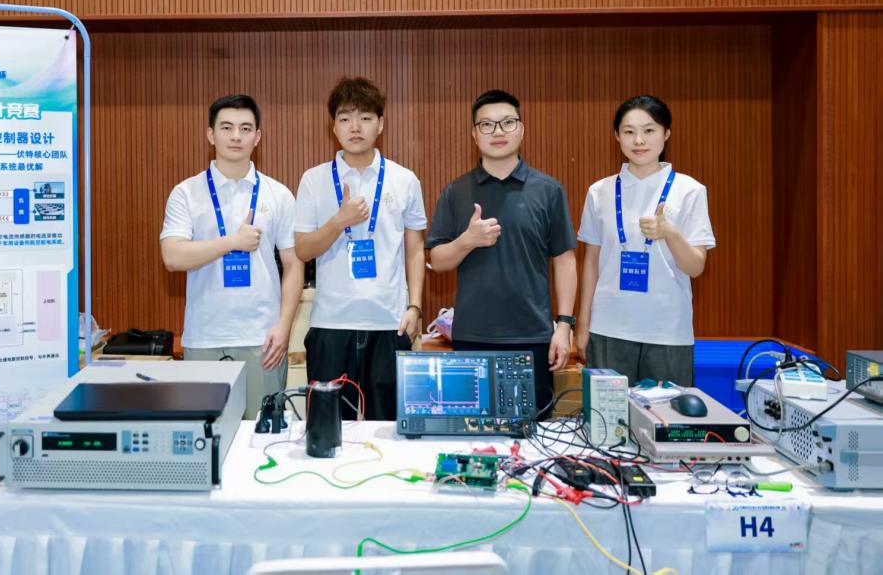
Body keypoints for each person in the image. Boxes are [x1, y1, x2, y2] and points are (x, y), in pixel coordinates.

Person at [426, 90, 577, 414]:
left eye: (507, 122)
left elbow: (565, 260)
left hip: (533, 338)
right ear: (474, 134)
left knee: (534, 436)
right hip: (472, 337)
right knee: (470, 432)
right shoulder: (456, 191)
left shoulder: (549, 190)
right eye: (487, 124)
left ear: (521, 129)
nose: (497, 131)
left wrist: (564, 326)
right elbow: (437, 261)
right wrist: (468, 240)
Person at [160, 94, 303, 419]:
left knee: (263, 435)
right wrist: (232, 242)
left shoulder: (278, 194)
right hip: (204, 338)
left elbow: (294, 264)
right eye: (226, 127)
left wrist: (284, 326)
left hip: (263, 340)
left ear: (258, 137)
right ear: (211, 135)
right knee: (205, 435)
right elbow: (172, 256)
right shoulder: (186, 193)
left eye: (245, 128)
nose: (236, 136)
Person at [293, 77, 427, 420]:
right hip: (331, 324)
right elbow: (303, 250)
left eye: (365, 117)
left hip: (390, 323)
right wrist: (339, 221)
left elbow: (415, 249)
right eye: (345, 118)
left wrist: (415, 306)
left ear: (380, 124)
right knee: (327, 430)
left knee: (389, 430)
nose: (355, 127)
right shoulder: (314, 180)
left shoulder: (404, 179)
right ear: (333, 126)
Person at [575, 95, 715, 386]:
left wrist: (670, 234)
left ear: (666, 133)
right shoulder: (599, 192)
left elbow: (696, 267)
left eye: (649, 130)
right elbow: (591, 264)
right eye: (629, 131)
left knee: (668, 413)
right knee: (607, 414)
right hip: (608, 327)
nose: (639, 140)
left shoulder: (689, 190)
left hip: (668, 331)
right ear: (617, 136)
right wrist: (584, 325)